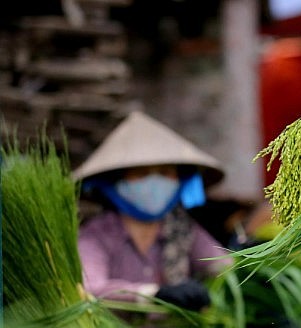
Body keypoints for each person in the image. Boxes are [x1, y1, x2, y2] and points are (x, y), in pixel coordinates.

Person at [73, 111, 232, 315]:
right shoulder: (97, 236)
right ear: (115, 181)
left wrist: (252, 260)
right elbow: (90, 288)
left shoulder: (183, 230)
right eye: (142, 174)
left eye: (165, 173)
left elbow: (223, 268)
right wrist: (153, 294)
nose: (155, 182)